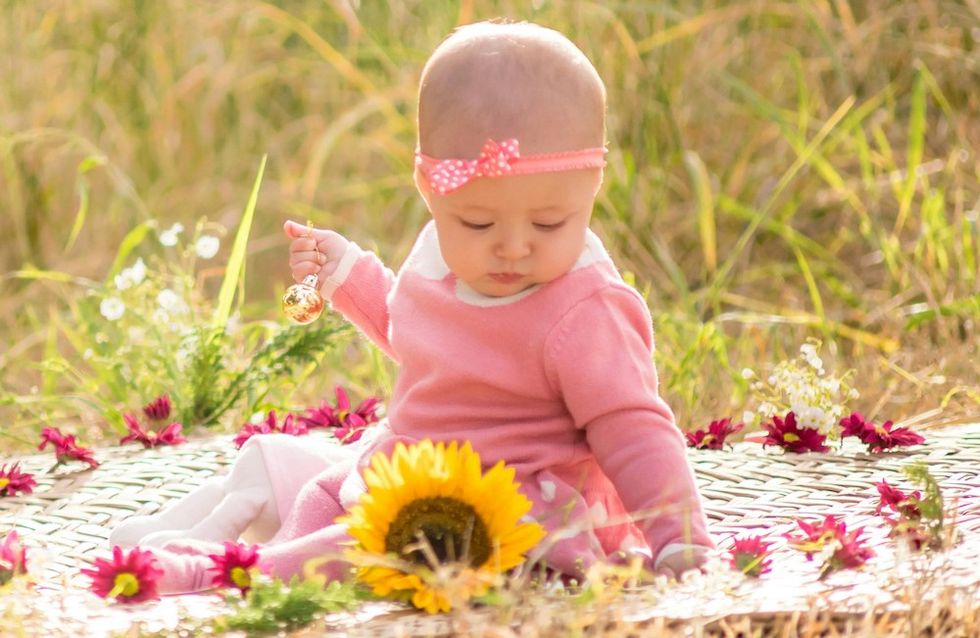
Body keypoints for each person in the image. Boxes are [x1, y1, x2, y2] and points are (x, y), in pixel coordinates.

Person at [109, 19, 714, 593]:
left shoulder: (585, 312)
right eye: (477, 221)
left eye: (549, 222)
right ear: (429, 190)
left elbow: (636, 433)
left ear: (592, 188)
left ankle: (228, 570)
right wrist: (345, 273)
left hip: (507, 509)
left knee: (376, 547)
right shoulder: (442, 256)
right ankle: (211, 529)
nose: (511, 246)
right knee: (302, 480)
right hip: (409, 464)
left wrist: (678, 540)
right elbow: (417, 333)